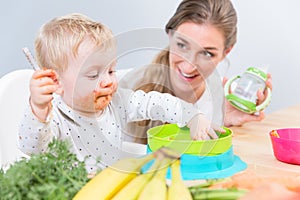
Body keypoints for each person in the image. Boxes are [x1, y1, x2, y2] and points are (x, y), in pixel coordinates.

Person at [18, 13, 222, 173]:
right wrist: (38, 110)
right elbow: (32, 148)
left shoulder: (117, 102)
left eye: (111, 70)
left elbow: (154, 103)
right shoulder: (55, 119)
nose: (107, 81)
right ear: (56, 82)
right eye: (92, 75)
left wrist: (191, 115)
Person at [120, 0, 273, 144]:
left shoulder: (220, 102)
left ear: (226, 52)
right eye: (182, 45)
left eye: (207, 54)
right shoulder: (119, 85)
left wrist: (222, 120)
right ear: (170, 34)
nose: (189, 67)